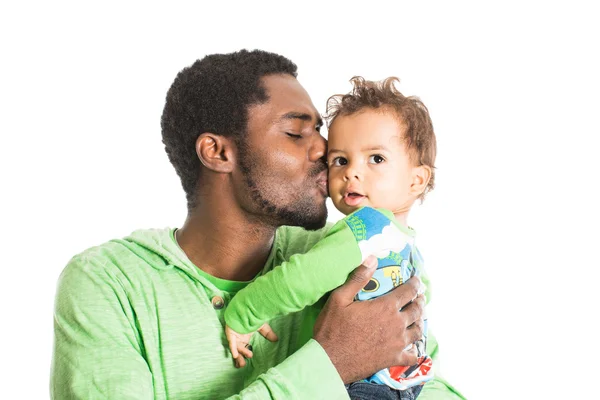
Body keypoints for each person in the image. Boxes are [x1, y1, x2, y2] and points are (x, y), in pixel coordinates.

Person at [50, 49, 464, 399]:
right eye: (296, 133)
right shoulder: (109, 284)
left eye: (320, 132)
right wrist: (330, 363)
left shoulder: (341, 254)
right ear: (218, 152)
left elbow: (430, 382)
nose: (325, 151)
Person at [223, 76, 437, 400]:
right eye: (340, 160)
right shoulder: (400, 238)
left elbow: (301, 278)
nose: (351, 172)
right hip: (404, 381)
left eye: (375, 159)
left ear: (417, 180)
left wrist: (243, 314)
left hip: (367, 385)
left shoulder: (366, 228)